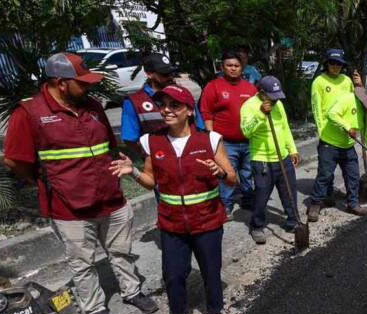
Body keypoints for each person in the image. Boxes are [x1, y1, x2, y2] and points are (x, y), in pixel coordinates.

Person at [3, 52, 158, 314]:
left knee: (121, 251)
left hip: (111, 198)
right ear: (61, 83)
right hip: (69, 208)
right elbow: (15, 159)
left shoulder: (94, 107)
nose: (89, 87)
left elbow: (108, 146)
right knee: (82, 263)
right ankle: (96, 308)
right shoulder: (29, 113)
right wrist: (46, 182)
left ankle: (132, 292)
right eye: (82, 82)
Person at [110, 84, 237, 314]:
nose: (166, 110)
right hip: (171, 223)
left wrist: (220, 172)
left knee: (210, 271)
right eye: (163, 105)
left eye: (174, 105)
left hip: (208, 219)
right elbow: (150, 180)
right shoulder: (152, 141)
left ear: (189, 110)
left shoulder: (210, 139)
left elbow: (232, 179)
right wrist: (133, 172)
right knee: (173, 274)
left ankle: (214, 312)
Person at [307, 78, 367, 222]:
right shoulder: (348, 99)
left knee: (353, 175)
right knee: (324, 175)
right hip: (329, 143)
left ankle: (352, 204)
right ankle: (315, 204)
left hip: (348, 146)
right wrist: (346, 126)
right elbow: (331, 114)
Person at [240, 76, 300, 244]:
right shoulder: (249, 106)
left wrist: (292, 149)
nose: (275, 101)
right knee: (261, 195)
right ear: (261, 93)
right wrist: (261, 114)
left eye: (277, 97)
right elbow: (246, 131)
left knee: (289, 191)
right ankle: (257, 225)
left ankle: (293, 220)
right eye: (271, 97)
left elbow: (285, 128)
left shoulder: (278, 104)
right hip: (262, 160)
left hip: (283, 157)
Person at [200, 51, 258, 215]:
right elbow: (206, 112)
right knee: (226, 174)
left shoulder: (250, 88)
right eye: (229, 65)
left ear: (242, 67)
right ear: (222, 67)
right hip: (225, 143)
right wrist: (211, 138)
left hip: (248, 140)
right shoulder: (214, 86)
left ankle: (248, 200)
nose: (233, 69)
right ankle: (225, 205)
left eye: (236, 66)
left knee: (247, 173)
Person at [121, 53, 204, 154]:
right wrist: (152, 156)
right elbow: (130, 140)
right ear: (150, 74)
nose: (170, 77)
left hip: (190, 156)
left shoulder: (184, 94)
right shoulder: (134, 102)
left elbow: (200, 128)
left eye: (171, 73)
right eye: (165, 74)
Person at [311, 48, 355, 209]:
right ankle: (317, 202)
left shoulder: (346, 81)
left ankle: (349, 201)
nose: (335, 66)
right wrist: (322, 132)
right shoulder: (319, 82)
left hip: (346, 135)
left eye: (339, 64)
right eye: (332, 63)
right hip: (328, 135)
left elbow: (353, 103)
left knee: (350, 172)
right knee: (325, 172)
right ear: (327, 64)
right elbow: (316, 109)